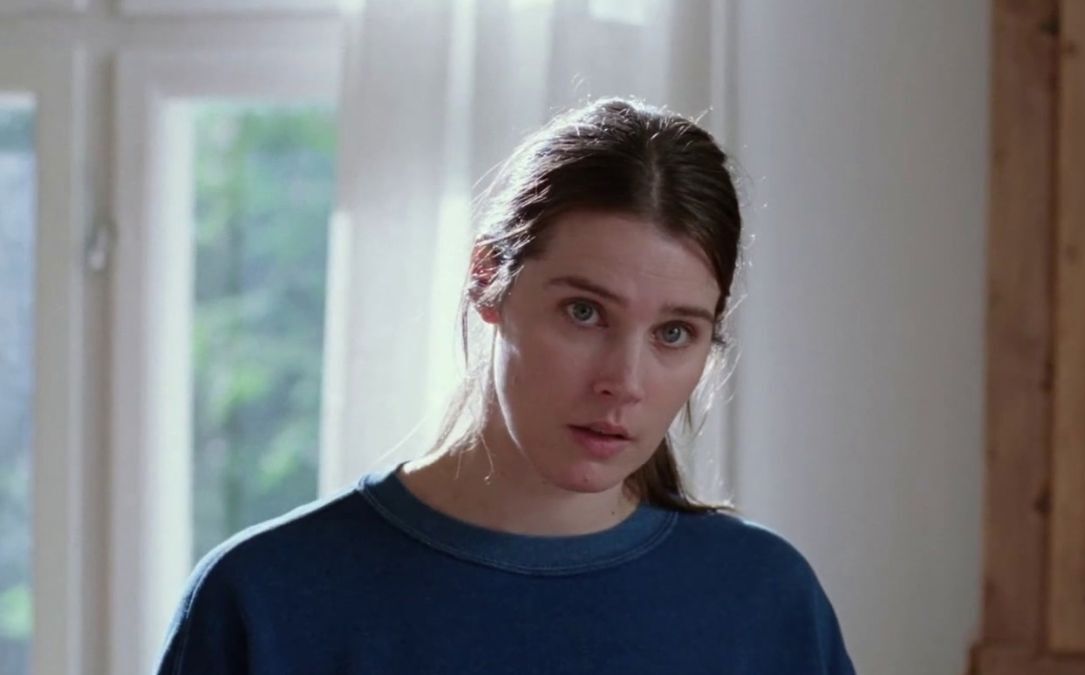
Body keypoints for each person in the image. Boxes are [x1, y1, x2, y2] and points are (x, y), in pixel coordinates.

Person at [155, 98, 856, 674]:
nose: (624, 382)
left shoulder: (766, 601)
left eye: (674, 332)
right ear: (488, 278)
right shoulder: (264, 600)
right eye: (584, 312)